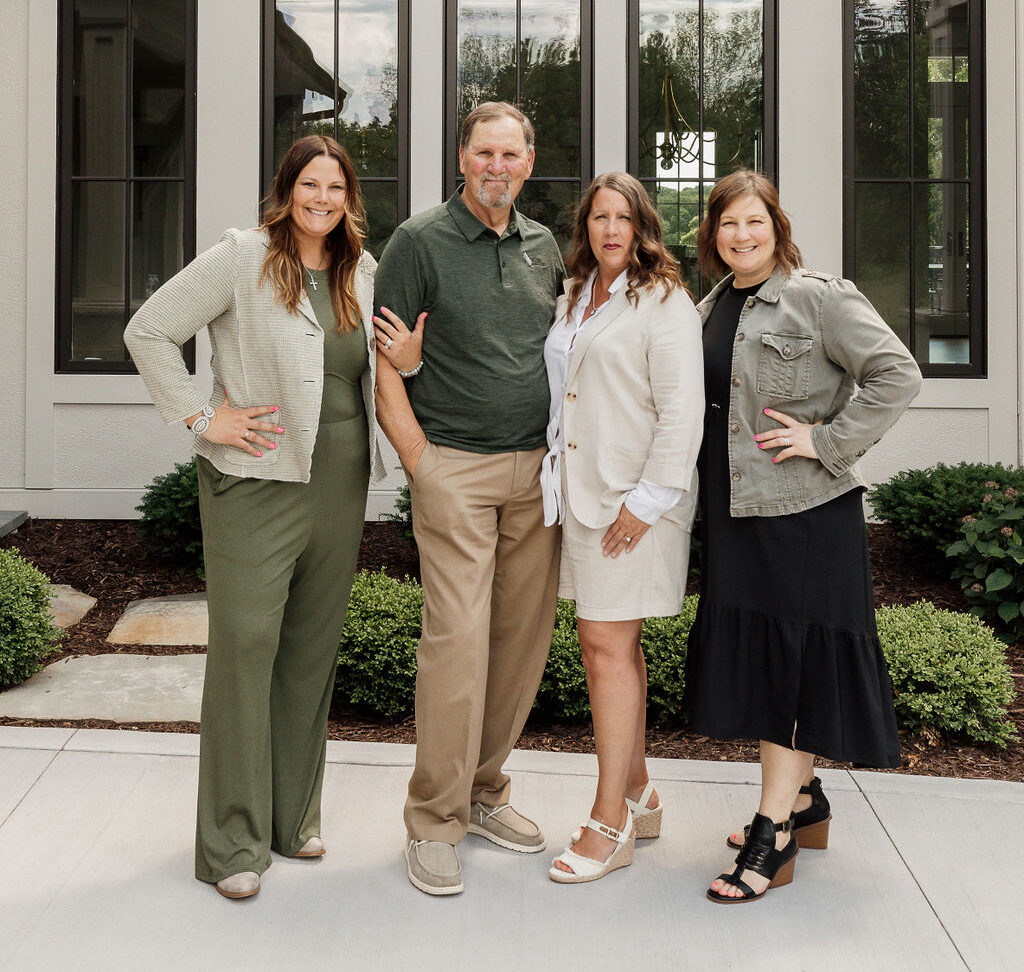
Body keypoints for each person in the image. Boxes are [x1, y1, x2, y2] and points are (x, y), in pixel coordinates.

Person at [125, 135, 384, 900]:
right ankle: (233, 842)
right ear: (287, 189)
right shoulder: (242, 256)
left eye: (336, 186)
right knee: (245, 648)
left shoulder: (360, 270)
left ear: (349, 197)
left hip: (340, 478)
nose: (324, 198)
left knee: (309, 647)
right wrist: (204, 418)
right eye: (311, 183)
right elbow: (147, 330)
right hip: (254, 479)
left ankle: (290, 817)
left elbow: (375, 369)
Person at [685, 170, 921, 904]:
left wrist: (827, 440)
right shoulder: (715, 302)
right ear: (712, 234)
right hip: (738, 511)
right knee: (771, 659)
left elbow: (896, 374)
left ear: (775, 225)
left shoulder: (820, 296)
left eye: (754, 223)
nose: (741, 236)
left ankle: (773, 833)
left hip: (804, 515)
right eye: (728, 225)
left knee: (790, 666)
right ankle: (806, 798)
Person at [372, 101, 564, 896]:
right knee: (456, 645)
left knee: (518, 647)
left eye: (510, 154)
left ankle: (485, 792)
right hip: (454, 469)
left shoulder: (546, 245)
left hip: (537, 476)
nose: (496, 166)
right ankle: (433, 820)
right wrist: (421, 462)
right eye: (483, 152)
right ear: (462, 157)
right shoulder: (418, 242)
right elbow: (386, 362)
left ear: (528, 161)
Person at [540, 173, 703, 883]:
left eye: (623, 219)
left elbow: (682, 410)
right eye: (599, 218)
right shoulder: (577, 294)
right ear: (587, 228)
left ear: (643, 229)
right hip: (579, 498)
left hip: (633, 505)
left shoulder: (664, 301)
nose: (610, 230)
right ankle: (640, 790)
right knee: (608, 645)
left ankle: (611, 822)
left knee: (607, 647)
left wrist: (648, 502)